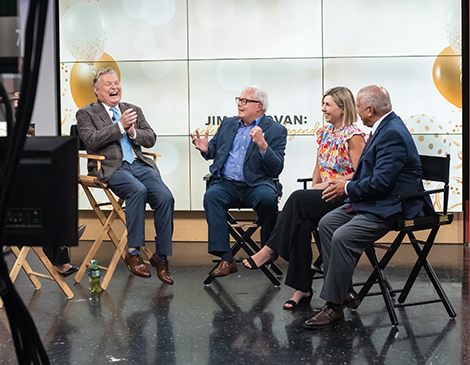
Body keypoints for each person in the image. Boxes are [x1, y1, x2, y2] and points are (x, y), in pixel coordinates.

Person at [303, 85, 432, 329]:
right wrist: (346, 183)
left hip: (393, 206)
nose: (358, 113)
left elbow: (382, 183)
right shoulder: (383, 127)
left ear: (370, 110)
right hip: (375, 201)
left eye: (359, 108)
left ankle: (333, 306)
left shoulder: (392, 133)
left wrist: (347, 188)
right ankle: (343, 291)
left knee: (342, 236)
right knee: (327, 223)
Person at [242, 86, 365, 309]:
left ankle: (270, 250)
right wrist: (316, 184)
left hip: (344, 196)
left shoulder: (354, 135)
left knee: (298, 198)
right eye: (323, 103)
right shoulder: (324, 132)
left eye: (327, 104)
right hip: (324, 194)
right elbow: (319, 166)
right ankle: (303, 289)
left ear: (342, 107)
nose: (323, 109)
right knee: (300, 225)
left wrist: (329, 184)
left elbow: (360, 173)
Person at [76, 67, 175, 285]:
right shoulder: (86, 113)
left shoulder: (132, 109)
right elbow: (91, 140)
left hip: (139, 164)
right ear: (96, 90)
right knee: (137, 191)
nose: (115, 87)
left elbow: (151, 138)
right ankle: (133, 252)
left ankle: (161, 257)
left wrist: (133, 132)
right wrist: (119, 126)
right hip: (111, 167)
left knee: (166, 198)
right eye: (108, 84)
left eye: (116, 83)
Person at [190, 85, 287, 277]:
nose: (239, 104)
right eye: (239, 100)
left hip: (257, 184)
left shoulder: (276, 130)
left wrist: (263, 145)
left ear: (259, 106)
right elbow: (214, 150)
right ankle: (226, 259)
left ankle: (267, 250)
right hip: (227, 184)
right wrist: (206, 149)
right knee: (212, 196)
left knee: (268, 198)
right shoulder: (228, 124)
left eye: (245, 101)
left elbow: (276, 168)